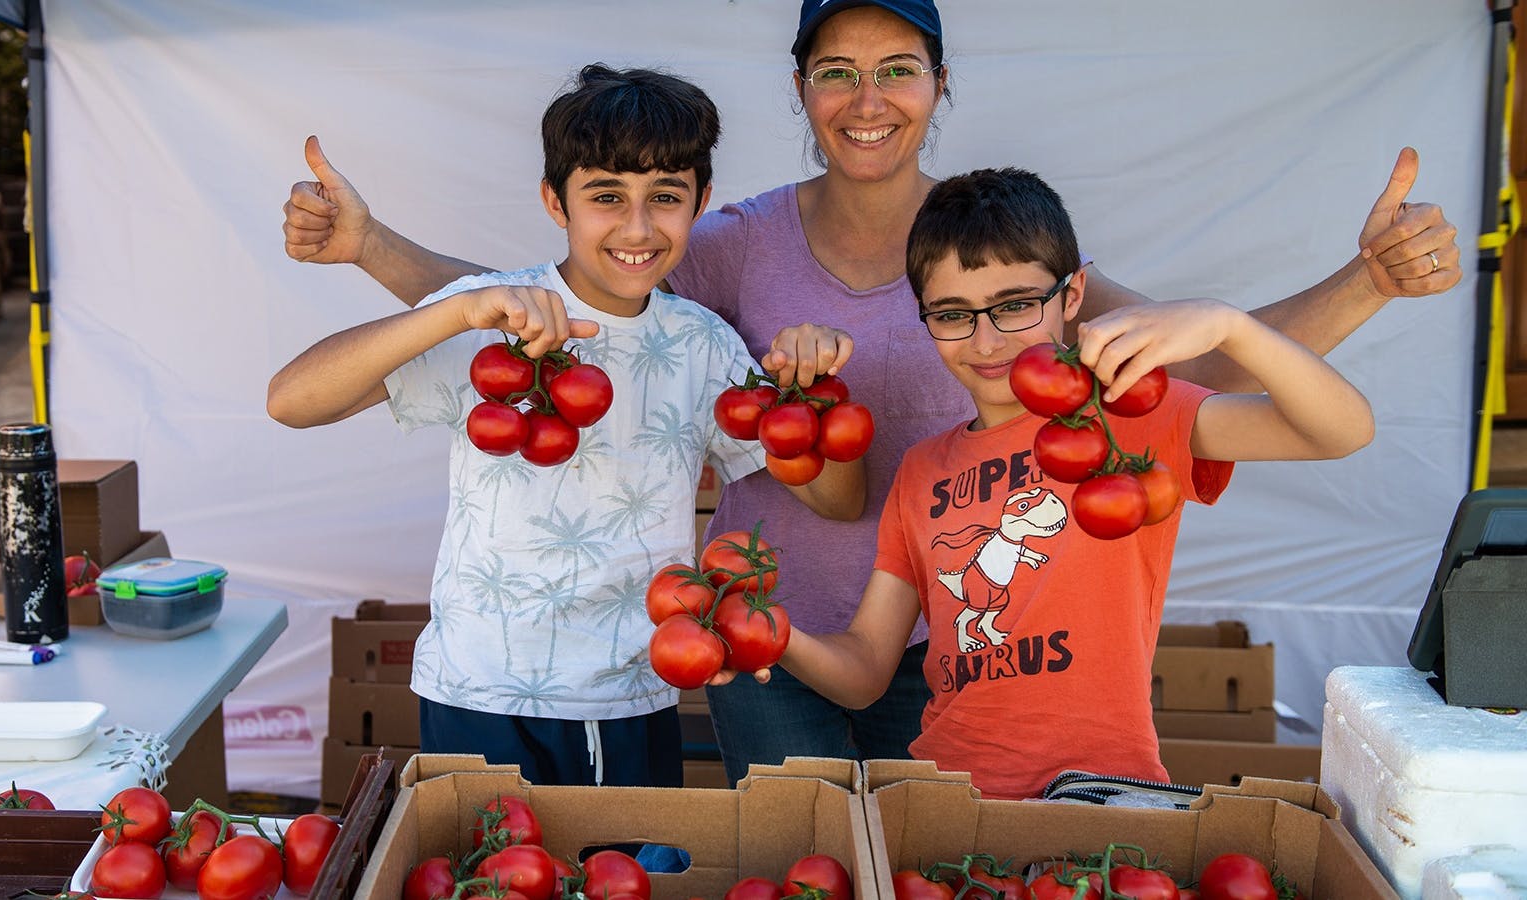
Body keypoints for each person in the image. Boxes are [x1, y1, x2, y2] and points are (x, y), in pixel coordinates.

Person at [277, 1, 1460, 784]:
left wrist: (1366, 283)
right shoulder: (726, 244)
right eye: (835, 72)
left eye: (896, 70)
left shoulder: (992, 245)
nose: (866, 97)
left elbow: (1200, 366)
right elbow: (559, 303)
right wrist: (380, 252)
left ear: (937, 84)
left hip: (950, 647)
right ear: (801, 90)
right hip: (772, 645)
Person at [266, 64, 864, 789]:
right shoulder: (489, 314)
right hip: (476, 686)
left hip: (629, 696)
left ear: (702, 202)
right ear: (556, 201)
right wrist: (452, 311)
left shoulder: (705, 346)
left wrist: (811, 391)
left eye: (666, 197)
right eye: (606, 196)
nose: (638, 227)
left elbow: (835, 499)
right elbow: (291, 400)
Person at [714, 166, 1374, 800]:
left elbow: (1339, 432)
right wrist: (775, 634)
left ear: (1072, 297)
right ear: (924, 319)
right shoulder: (921, 471)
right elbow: (864, 669)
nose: (987, 339)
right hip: (948, 803)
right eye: (952, 314)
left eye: (1015, 305)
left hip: (1102, 791)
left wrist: (1232, 326)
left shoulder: (1129, 417)